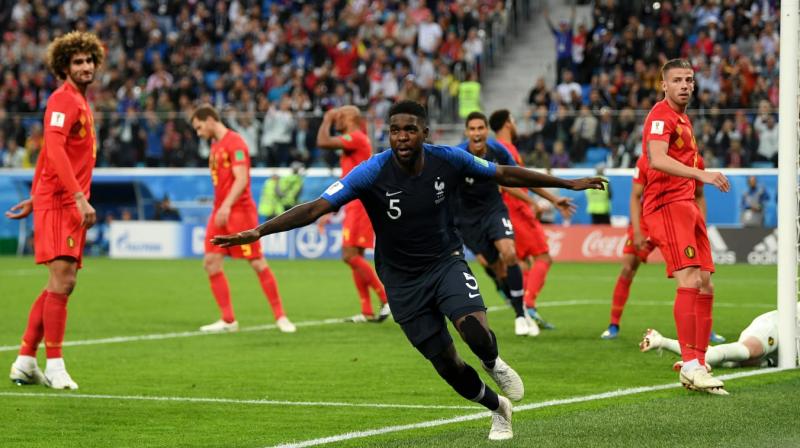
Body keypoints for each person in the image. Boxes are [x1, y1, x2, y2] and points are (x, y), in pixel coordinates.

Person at [211, 100, 605, 440]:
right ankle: (497, 407)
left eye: (410, 130)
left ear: (424, 133)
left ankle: (493, 363)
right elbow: (316, 207)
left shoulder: (447, 158)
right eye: (395, 130)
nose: (401, 137)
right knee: (447, 364)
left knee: (474, 329)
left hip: (445, 261)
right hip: (401, 280)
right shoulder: (371, 172)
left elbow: (502, 173)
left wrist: (566, 183)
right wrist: (260, 230)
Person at [7, 31, 105, 390]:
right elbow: (54, 147)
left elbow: (51, 156)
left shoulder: (78, 101)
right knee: (64, 281)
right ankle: (56, 364)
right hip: (63, 201)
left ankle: (24, 360)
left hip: (59, 198)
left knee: (59, 283)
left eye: (89, 60)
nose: (85, 66)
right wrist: (76, 196)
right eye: (77, 61)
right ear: (64, 66)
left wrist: (36, 197)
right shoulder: (64, 100)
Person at [641, 59, 731, 395]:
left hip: (687, 205)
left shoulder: (683, 118)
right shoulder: (661, 116)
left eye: (689, 80)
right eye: (677, 80)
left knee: (706, 284)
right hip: (667, 205)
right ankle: (690, 364)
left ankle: (700, 362)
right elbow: (657, 158)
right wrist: (701, 174)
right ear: (664, 84)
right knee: (690, 278)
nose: (685, 85)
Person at [190, 104, 295, 334]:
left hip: (238, 211)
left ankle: (281, 316)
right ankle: (228, 320)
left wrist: (226, 205)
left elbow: (241, 178)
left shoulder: (235, 142)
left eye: (199, 127)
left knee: (257, 262)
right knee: (210, 262)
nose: (198, 133)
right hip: (220, 210)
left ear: (209, 120)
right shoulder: (216, 144)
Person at [600, 154, 725, 345]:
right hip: (648, 220)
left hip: (679, 221)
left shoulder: (695, 159)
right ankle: (613, 325)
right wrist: (637, 230)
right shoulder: (647, 160)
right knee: (627, 268)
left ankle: (704, 331)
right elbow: (635, 196)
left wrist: (700, 227)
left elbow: (699, 196)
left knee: (699, 278)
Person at [489, 109, 574, 333]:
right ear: (507, 124)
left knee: (523, 262)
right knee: (543, 256)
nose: (515, 124)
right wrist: (533, 202)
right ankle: (529, 305)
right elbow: (506, 183)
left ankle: (524, 311)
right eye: (514, 120)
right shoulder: (504, 149)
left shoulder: (504, 148)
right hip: (516, 210)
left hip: (510, 210)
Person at [454, 112, 530, 336]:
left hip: (494, 210)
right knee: (497, 268)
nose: (477, 133)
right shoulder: (457, 155)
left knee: (510, 253)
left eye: (481, 128)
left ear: (487, 130)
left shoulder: (498, 152)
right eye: (472, 129)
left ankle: (520, 315)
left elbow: (519, 177)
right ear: (467, 132)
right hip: (467, 220)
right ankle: (516, 302)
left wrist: (547, 199)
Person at [316, 105, 389, 322]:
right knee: (354, 256)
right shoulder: (356, 141)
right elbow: (346, 178)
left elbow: (322, 142)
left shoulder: (356, 137)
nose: (336, 119)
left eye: (339, 116)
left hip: (360, 204)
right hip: (354, 203)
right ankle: (366, 311)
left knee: (348, 256)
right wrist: (332, 208)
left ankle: (385, 298)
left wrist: (326, 119)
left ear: (349, 118)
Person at [640, 302, 800, 369]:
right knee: (747, 351)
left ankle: (661, 341)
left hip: (782, 347)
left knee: (736, 363)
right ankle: (693, 363)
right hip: (775, 327)